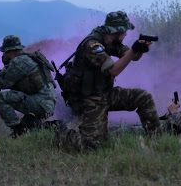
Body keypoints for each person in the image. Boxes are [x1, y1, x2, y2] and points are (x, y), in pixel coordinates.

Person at [58, 11, 160, 150]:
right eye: (125, 32)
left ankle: (157, 139)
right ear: (117, 31)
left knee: (144, 97)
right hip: (90, 99)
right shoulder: (92, 45)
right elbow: (114, 70)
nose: (126, 35)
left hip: (106, 93)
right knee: (94, 147)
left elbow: (132, 56)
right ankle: (64, 133)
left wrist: (140, 49)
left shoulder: (111, 41)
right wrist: (133, 51)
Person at [0, 35, 57, 138]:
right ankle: (57, 127)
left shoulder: (18, 62)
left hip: (40, 104)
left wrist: (4, 69)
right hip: (47, 103)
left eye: (5, 52)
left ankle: (15, 127)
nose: (4, 55)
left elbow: (3, 84)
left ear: (10, 51)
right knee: (27, 128)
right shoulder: (28, 58)